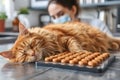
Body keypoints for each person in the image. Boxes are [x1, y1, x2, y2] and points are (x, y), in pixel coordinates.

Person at [47, 0, 112, 36]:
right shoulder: (56, 33)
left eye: (61, 14)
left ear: (73, 10)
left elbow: (113, 44)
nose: (57, 19)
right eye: (53, 17)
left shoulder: (97, 24)